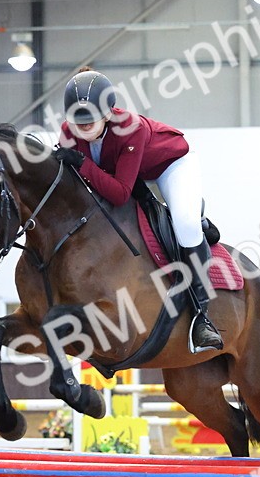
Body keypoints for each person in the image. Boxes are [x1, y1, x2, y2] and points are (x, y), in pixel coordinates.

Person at [52, 69, 223, 353]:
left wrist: (81, 163)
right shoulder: (69, 131)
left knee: (185, 225)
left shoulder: (131, 127)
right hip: (124, 172)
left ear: (107, 114)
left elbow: (120, 193)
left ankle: (201, 317)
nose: (82, 127)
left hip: (169, 166)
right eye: (77, 121)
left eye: (90, 120)